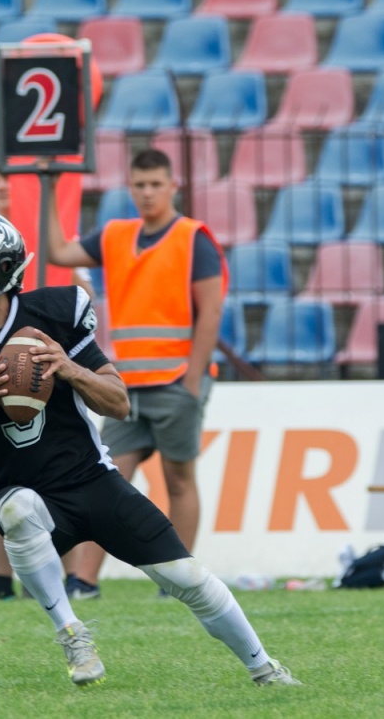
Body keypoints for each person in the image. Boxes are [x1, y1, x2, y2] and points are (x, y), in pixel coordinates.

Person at [0, 208, 296, 688]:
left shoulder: (55, 313)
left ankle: (265, 668)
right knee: (20, 508)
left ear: (0, 267)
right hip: (26, 494)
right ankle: (72, 633)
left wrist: (68, 368)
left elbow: (118, 403)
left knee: (188, 577)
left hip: (93, 481)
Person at [42, 148, 226, 599]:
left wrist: (193, 380)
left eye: (155, 185)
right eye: (140, 185)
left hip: (176, 382)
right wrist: (47, 187)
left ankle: (178, 578)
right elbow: (59, 251)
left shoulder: (193, 237)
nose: (147, 193)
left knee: (179, 479)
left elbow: (211, 312)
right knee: (109, 481)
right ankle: (84, 580)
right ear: (131, 187)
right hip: (126, 388)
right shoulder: (115, 234)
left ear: (172, 186)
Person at [0, 155, 94, 600]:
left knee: (63, 482)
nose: (0, 187)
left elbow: (82, 293)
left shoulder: (42, 239)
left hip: (44, 367)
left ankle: (70, 576)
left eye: (5, 178)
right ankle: (0, 578)